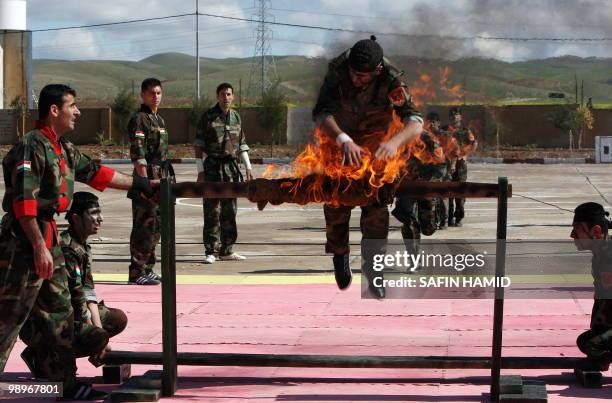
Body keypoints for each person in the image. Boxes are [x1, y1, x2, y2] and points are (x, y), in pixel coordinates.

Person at [0, 84, 156, 400]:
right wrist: (39, 248)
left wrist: (141, 184)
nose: (78, 112)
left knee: (59, 316)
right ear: (54, 110)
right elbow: (24, 204)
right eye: (73, 106)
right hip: (22, 246)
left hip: (47, 240)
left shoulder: (63, 149)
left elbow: (98, 173)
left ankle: (62, 384)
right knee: (8, 321)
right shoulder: (32, 147)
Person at [312, 36, 423, 298]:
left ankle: (374, 272)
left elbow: (415, 120)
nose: (355, 79)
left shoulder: (392, 80)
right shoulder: (338, 72)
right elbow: (321, 113)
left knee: (376, 210)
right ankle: (339, 256)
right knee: (336, 205)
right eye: (353, 73)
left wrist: (395, 143)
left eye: (363, 76)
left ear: (378, 71)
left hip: (376, 149)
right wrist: (343, 140)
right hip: (340, 143)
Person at [194, 83, 253, 264]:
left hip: (231, 170)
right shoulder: (208, 117)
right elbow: (198, 145)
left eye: (228, 94)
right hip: (212, 168)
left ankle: (227, 249)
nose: (225, 97)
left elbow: (241, 145)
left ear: (232, 96)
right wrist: (200, 171)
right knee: (212, 210)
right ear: (217, 96)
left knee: (230, 211)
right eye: (222, 94)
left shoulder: (236, 117)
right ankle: (211, 250)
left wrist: (249, 167)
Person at [127, 78, 168, 285]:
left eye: (159, 93)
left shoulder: (158, 120)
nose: (156, 97)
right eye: (152, 93)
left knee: (156, 227)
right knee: (143, 226)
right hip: (146, 178)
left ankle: (148, 267)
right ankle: (136, 272)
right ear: (142, 95)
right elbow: (138, 155)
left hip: (160, 176)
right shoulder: (139, 119)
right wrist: (144, 183)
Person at [392, 111, 446, 265]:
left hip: (425, 187)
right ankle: (413, 259)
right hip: (406, 187)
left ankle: (431, 220)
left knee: (428, 228)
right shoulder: (394, 139)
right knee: (407, 222)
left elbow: (441, 166)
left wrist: (431, 183)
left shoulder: (428, 139)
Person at [571, 202, 612, 369]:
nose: (572, 235)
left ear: (595, 231)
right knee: (586, 341)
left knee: (593, 345)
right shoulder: (600, 256)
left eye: (578, 229)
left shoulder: (609, 257)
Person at [444, 107, 477, 227]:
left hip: (460, 165)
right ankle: (447, 217)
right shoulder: (444, 130)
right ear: (449, 117)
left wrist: (465, 155)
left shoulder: (465, 130)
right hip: (446, 164)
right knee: (447, 192)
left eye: (457, 114)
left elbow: (473, 144)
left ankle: (458, 217)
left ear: (460, 117)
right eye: (452, 114)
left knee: (460, 191)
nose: (454, 116)